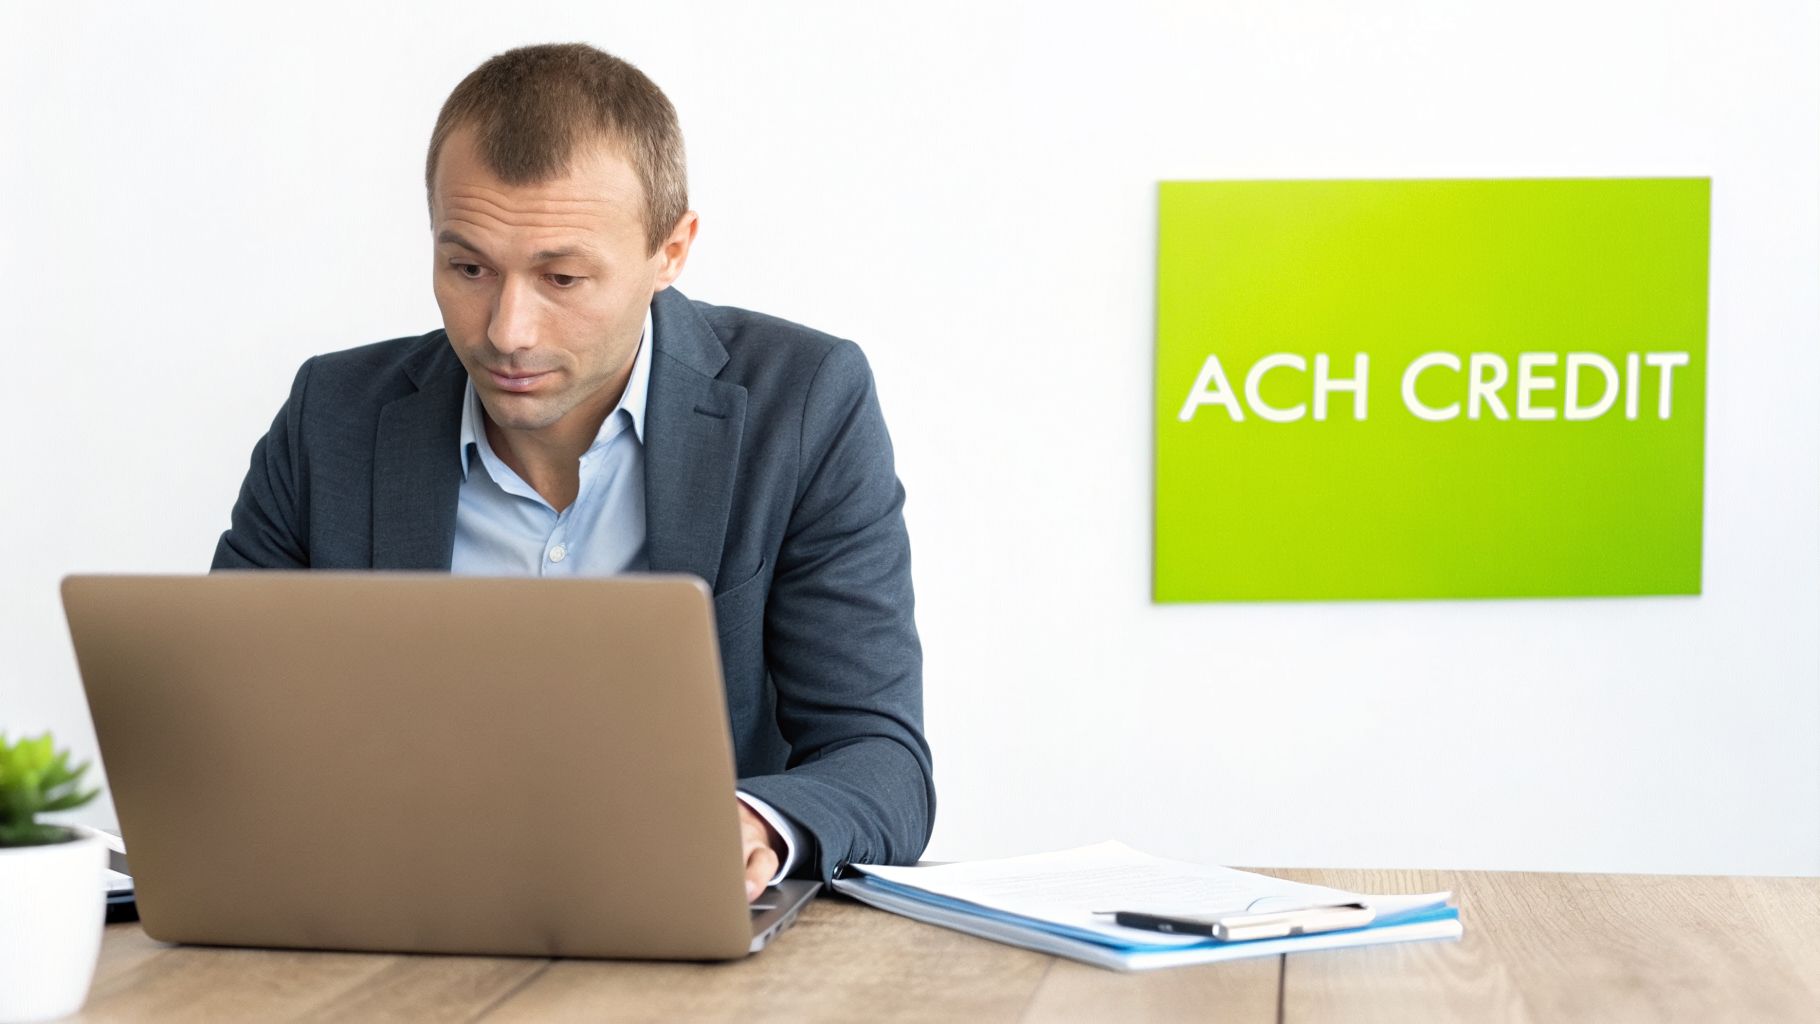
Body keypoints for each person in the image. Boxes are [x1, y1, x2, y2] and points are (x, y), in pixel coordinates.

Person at [212, 42, 933, 901]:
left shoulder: (805, 403)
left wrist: (750, 826)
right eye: (468, 267)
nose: (507, 330)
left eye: (562, 276)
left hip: (678, 927)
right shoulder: (331, 415)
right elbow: (222, 727)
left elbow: (881, 760)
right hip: (390, 915)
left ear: (672, 251)